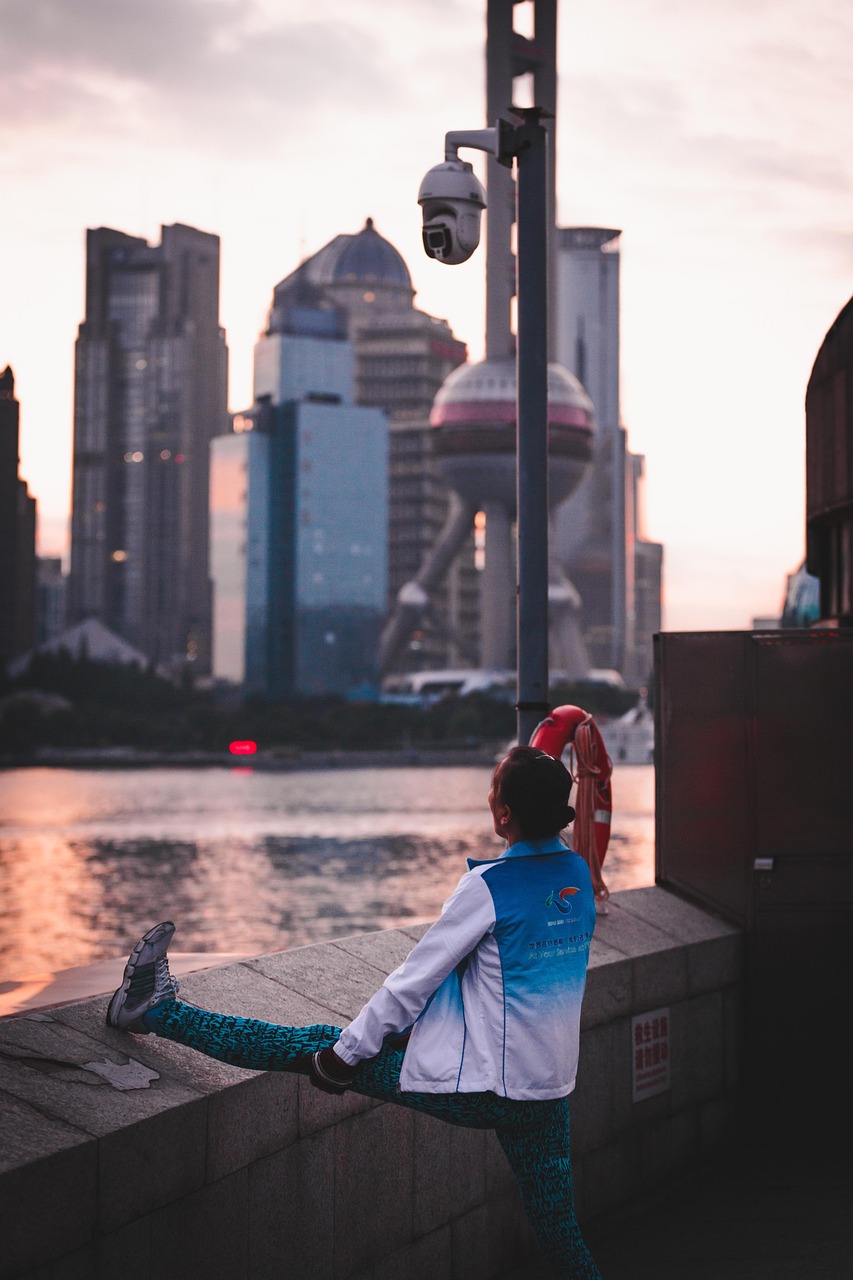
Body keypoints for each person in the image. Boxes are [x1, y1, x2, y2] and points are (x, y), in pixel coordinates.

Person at [106, 746, 602, 1280]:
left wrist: (343, 1056)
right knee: (562, 1234)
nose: (488, 797)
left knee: (310, 1044)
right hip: (548, 1091)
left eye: (493, 788)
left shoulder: (490, 887)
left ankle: (154, 1010)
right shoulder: (575, 873)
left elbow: (412, 984)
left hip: (488, 1090)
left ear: (503, 814)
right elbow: (510, 981)